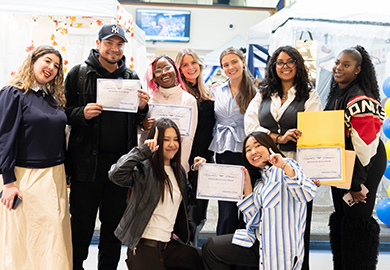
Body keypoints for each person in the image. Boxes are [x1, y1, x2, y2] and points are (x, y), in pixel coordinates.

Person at [65, 24, 149, 269]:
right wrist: (82, 113)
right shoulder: (79, 74)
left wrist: (143, 109)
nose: (114, 49)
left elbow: (136, 122)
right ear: (98, 43)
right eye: (109, 43)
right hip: (86, 166)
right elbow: (63, 112)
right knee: (81, 225)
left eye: (119, 44)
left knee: (114, 227)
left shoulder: (131, 77)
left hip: (120, 167)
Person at [244, 45, 322, 270]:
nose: (285, 66)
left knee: (298, 224)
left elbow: (315, 130)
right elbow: (250, 125)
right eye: (280, 62)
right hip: (265, 168)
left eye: (290, 61)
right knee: (266, 221)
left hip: (296, 167)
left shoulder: (309, 94)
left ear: (297, 65)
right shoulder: (264, 93)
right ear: (273, 66)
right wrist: (278, 138)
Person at [202, 132, 319, 270]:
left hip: (282, 252)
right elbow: (254, 221)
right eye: (248, 149)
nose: (253, 152)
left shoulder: (287, 166)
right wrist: (248, 189)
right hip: (259, 242)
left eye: (258, 146)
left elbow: (307, 193)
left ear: (269, 146)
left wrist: (283, 166)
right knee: (211, 248)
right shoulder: (259, 183)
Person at [0, 45, 72, 269]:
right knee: (25, 240)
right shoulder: (14, 93)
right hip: (25, 179)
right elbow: (4, 138)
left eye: (57, 66)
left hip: (55, 177)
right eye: (47, 61)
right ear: (33, 61)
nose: (51, 68)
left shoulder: (52, 99)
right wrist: (8, 182)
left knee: (54, 238)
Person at [108, 118, 204, 270]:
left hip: (168, 246)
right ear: (156, 140)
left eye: (175, 140)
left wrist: (198, 173)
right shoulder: (145, 169)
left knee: (206, 259)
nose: (172, 144)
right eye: (166, 139)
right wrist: (142, 151)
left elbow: (191, 200)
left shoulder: (178, 170)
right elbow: (115, 174)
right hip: (144, 246)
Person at [325, 45, 386, 270]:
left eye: (346, 65)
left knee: (357, 221)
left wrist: (356, 182)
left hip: (363, 165)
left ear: (358, 70)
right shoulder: (339, 93)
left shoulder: (361, 98)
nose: (339, 68)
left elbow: (366, 146)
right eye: (338, 62)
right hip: (344, 163)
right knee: (343, 218)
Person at [208, 47, 256, 236]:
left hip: (247, 151)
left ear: (243, 62)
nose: (230, 67)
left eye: (234, 62)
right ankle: (223, 250)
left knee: (246, 202)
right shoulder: (216, 91)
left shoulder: (255, 93)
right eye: (225, 64)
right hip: (223, 150)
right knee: (226, 206)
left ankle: (244, 253)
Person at [175, 48, 215, 245]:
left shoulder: (209, 93)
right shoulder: (177, 94)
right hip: (182, 159)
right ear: (179, 69)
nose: (190, 68)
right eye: (185, 64)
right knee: (180, 212)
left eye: (193, 63)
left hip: (204, 160)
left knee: (199, 213)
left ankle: (191, 254)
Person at [140, 54, 198, 173]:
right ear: (154, 77)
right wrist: (143, 126)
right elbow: (140, 133)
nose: (164, 73)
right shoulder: (149, 99)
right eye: (158, 70)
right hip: (149, 165)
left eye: (167, 68)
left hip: (176, 164)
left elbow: (188, 139)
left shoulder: (188, 100)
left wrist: (179, 168)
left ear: (176, 71)